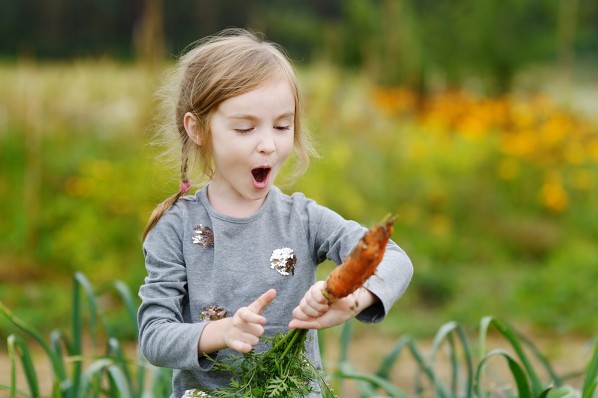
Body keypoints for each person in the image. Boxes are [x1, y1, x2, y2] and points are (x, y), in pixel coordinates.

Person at [137, 28, 413, 398]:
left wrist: (351, 299)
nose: (268, 144)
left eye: (283, 126)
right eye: (246, 128)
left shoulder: (303, 219)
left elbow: (394, 260)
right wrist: (223, 332)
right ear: (198, 129)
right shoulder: (176, 228)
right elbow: (153, 336)